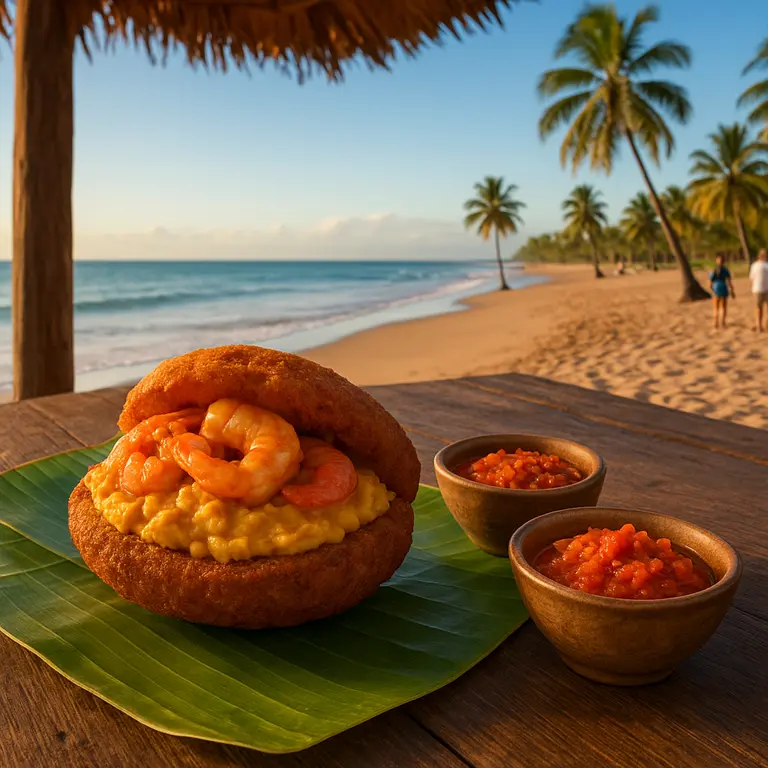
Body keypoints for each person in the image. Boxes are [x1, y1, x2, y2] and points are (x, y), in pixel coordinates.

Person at [709, 255, 735, 329]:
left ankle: (715, 322)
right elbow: (729, 282)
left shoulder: (713, 270)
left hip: (716, 288)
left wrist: (712, 289)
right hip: (723, 288)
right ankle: (723, 322)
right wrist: (732, 290)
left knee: (716, 307)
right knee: (723, 307)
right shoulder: (726, 270)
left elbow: (710, 282)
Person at [749, 248, 768, 332]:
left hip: (759, 289)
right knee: (760, 308)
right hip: (762, 289)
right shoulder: (760, 265)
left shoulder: (755, 265)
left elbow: (751, 278)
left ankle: (760, 325)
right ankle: (762, 325)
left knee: (759, 308)